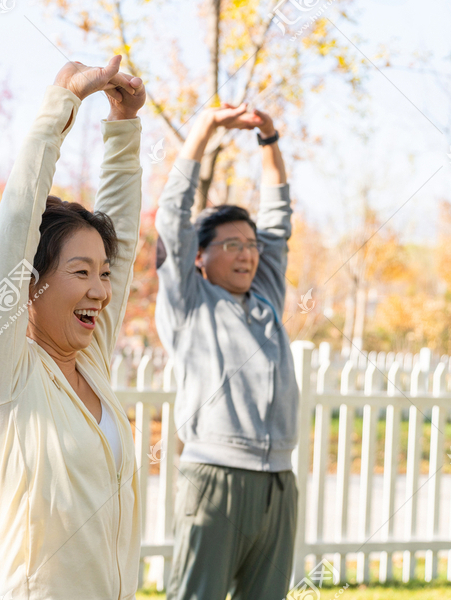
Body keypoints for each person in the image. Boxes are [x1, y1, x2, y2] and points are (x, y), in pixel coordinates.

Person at [0, 55, 145, 600]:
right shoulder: (1, 374)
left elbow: (122, 247)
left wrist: (124, 130)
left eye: (101, 275)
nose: (100, 291)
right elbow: (14, 231)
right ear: (29, 285)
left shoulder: (90, 362)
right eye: (80, 273)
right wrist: (60, 108)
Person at [154, 102, 298, 600]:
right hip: (214, 478)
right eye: (231, 244)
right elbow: (172, 217)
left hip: (278, 481)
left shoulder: (265, 298)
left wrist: (270, 139)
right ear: (199, 256)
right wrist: (204, 130)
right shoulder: (188, 301)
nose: (247, 253)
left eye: (250, 244)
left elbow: (278, 219)